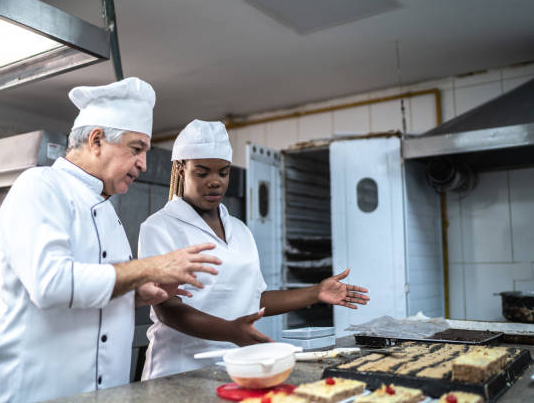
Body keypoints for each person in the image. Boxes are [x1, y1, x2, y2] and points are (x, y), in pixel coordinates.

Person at [0, 79, 221, 403]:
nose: (144, 165)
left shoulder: (108, 212)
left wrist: (138, 293)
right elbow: (51, 284)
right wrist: (150, 267)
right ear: (96, 141)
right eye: (136, 149)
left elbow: (92, 289)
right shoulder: (39, 186)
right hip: (35, 392)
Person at [138, 119, 370, 380]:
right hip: (178, 370)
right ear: (180, 170)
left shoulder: (240, 230)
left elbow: (254, 299)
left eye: (223, 173)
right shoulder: (160, 227)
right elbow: (167, 308)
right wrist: (231, 331)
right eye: (202, 173)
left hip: (237, 365)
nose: (214, 182)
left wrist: (316, 292)